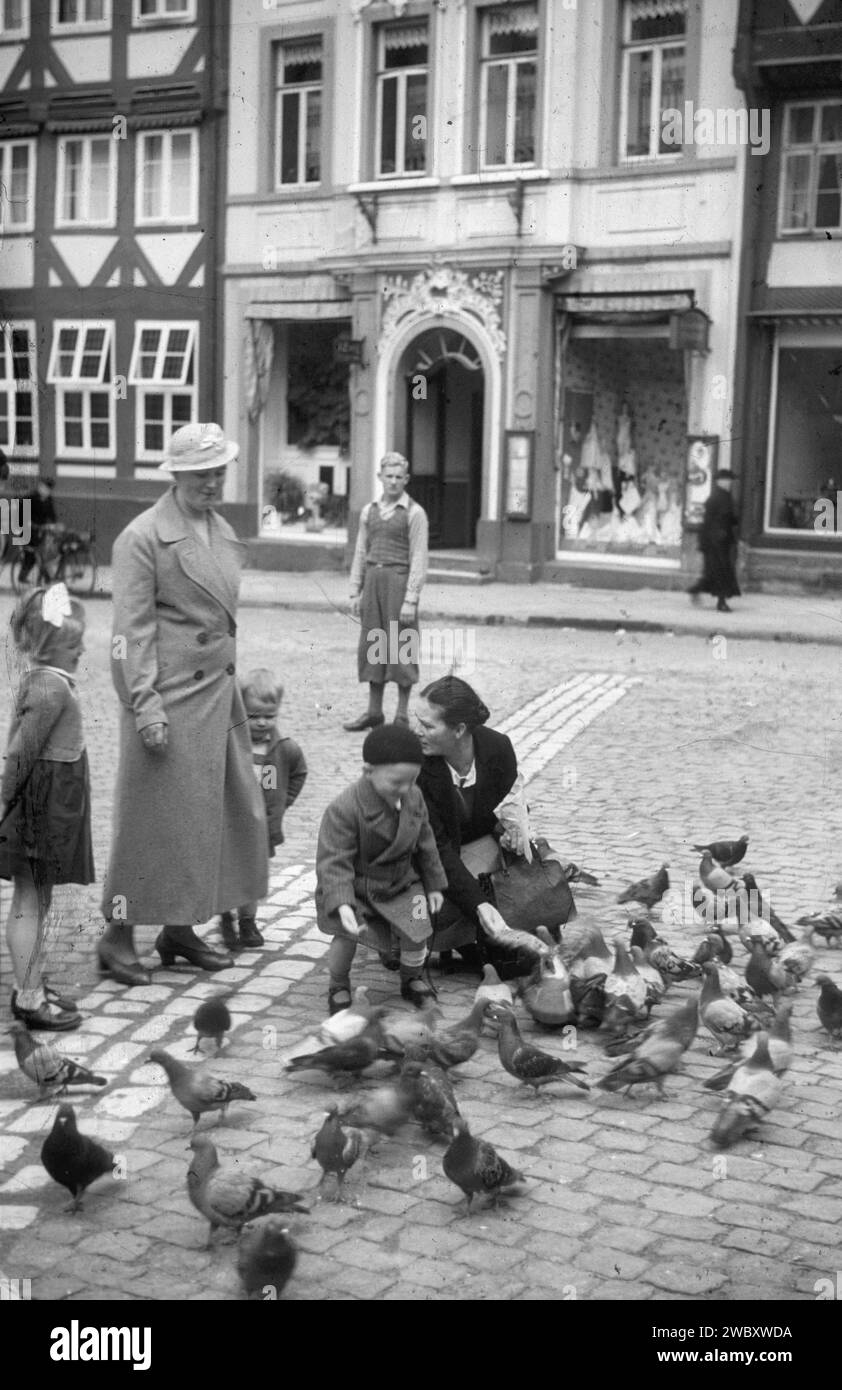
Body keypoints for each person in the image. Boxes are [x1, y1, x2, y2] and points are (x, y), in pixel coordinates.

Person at [97, 422, 268, 985]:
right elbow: (130, 634)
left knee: (208, 820)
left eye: (218, 471)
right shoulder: (142, 537)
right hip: (167, 700)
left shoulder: (221, 530)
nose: (212, 482)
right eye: (201, 473)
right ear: (176, 475)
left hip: (217, 696)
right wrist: (144, 706)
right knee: (149, 823)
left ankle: (180, 927)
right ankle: (117, 935)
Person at [0, 584, 93, 1030]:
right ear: (49, 647)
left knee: (38, 897)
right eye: (73, 644)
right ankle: (28, 995)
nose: (82, 650)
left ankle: (31, 980)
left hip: (48, 805)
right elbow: (19, 755)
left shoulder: (52, 681)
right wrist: (7, 804)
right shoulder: (50, 689)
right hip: (39, 808)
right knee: (31, 899)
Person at [315, 723, 446, 1012]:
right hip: (358, 888)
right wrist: (343, 904)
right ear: (368, 771)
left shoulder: (413, 797)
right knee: (346, 935)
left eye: (412, 781)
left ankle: (411, 977)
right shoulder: (344, 808)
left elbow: (425, 841)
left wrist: (434, 884)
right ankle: (338, 983)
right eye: (396, 782)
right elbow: (334, 863)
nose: (405, 789)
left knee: (419, 927)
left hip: (402, 882)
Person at [415, 675, 534, 978]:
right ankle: (458, 935)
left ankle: (475, 935)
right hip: (429, 862)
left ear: (459, 730)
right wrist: (480, 905)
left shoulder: (497, 748)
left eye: (428, 726)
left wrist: (510, 831)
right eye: (418, 722)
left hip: (478, 851)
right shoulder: (419, 767)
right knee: (444, 910)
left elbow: (510, 806)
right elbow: (437, 850)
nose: (418, 732)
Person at [218, 667, 307, 951]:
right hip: (231, 826)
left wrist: (283, 802)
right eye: (254, 716)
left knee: (253, 876)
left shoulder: (283, 748)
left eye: (270, 716)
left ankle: (248, 921)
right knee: (229, 872)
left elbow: (299, 773)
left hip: (262, 829)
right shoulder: (231, 745)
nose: (262, 723)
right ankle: (225, 917)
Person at [344, 452, 428, 731]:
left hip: (399, 582)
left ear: (406, 480)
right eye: (388, 476)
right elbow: (360, 551)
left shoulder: (414, 513)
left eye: (398, 477)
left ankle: (402, 716)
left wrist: (411, 599)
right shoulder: (369, 511)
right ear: (380, 477)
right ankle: (374, 712)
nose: (393, 482)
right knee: (373, 646)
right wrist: (355, 591)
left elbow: (419, 557)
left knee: (402, 646)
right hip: (373, 582)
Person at [688, 468, 741, 613]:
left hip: (722, 540)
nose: (730, 483)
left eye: (730, 480)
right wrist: (711, 539)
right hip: (716, 541)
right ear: (721, 481)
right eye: (728, 480)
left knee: (713, 573)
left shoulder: (725, 496)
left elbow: (728, 518)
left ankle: (696, 590)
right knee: (720, 572)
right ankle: (721, 603)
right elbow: (709, 522)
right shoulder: (716, 498)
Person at [17, 477, 58, 585]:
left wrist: (53, 524)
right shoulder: (30, 497)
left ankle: (46, 579)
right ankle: (23, 576)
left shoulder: (49, 500)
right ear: (40, 487)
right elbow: (20, 512)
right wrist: (26, 522)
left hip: (40, 531)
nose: (45, 491)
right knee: (31, 556)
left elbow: (52, 515)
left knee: (44, 555)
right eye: (44, 488)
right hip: (27, 530)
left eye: (48, 489)